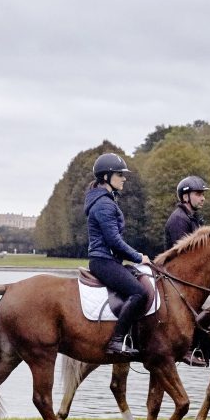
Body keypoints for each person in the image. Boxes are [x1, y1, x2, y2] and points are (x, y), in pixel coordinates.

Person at [84, 153, 151, 357]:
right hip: (103, 261)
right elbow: (114, 241)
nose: (124, 178)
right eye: (119, 174)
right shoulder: (104, 204)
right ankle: (116, 341)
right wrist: (139, 257)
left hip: (106, 259)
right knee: (139, 292)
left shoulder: (105, 200)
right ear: (106, 177)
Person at [164, 175, 210, 366]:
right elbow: (185, 257)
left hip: (193, 277)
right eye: (198, 194)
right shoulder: (178, 220)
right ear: (185, 197)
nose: (203, 198)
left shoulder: (192, 218)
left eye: (202, 194)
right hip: (178, 278)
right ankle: (188, 347)